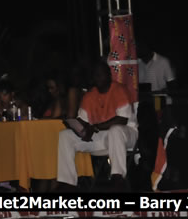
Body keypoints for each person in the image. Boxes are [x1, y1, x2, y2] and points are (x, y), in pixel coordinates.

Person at [57, 61, 138, 189]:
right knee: (65, 136)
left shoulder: (119, 90)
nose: (98, 78)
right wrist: (72, 125)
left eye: (101, 75)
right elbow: (83, 121)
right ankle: (67, 183)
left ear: (109, 75)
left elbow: (122, 120)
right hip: (101, 137)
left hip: (126, 135)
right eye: (96, 75)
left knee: (115, 130)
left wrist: (95, 127)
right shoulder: (90, 96)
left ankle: (118, 177)